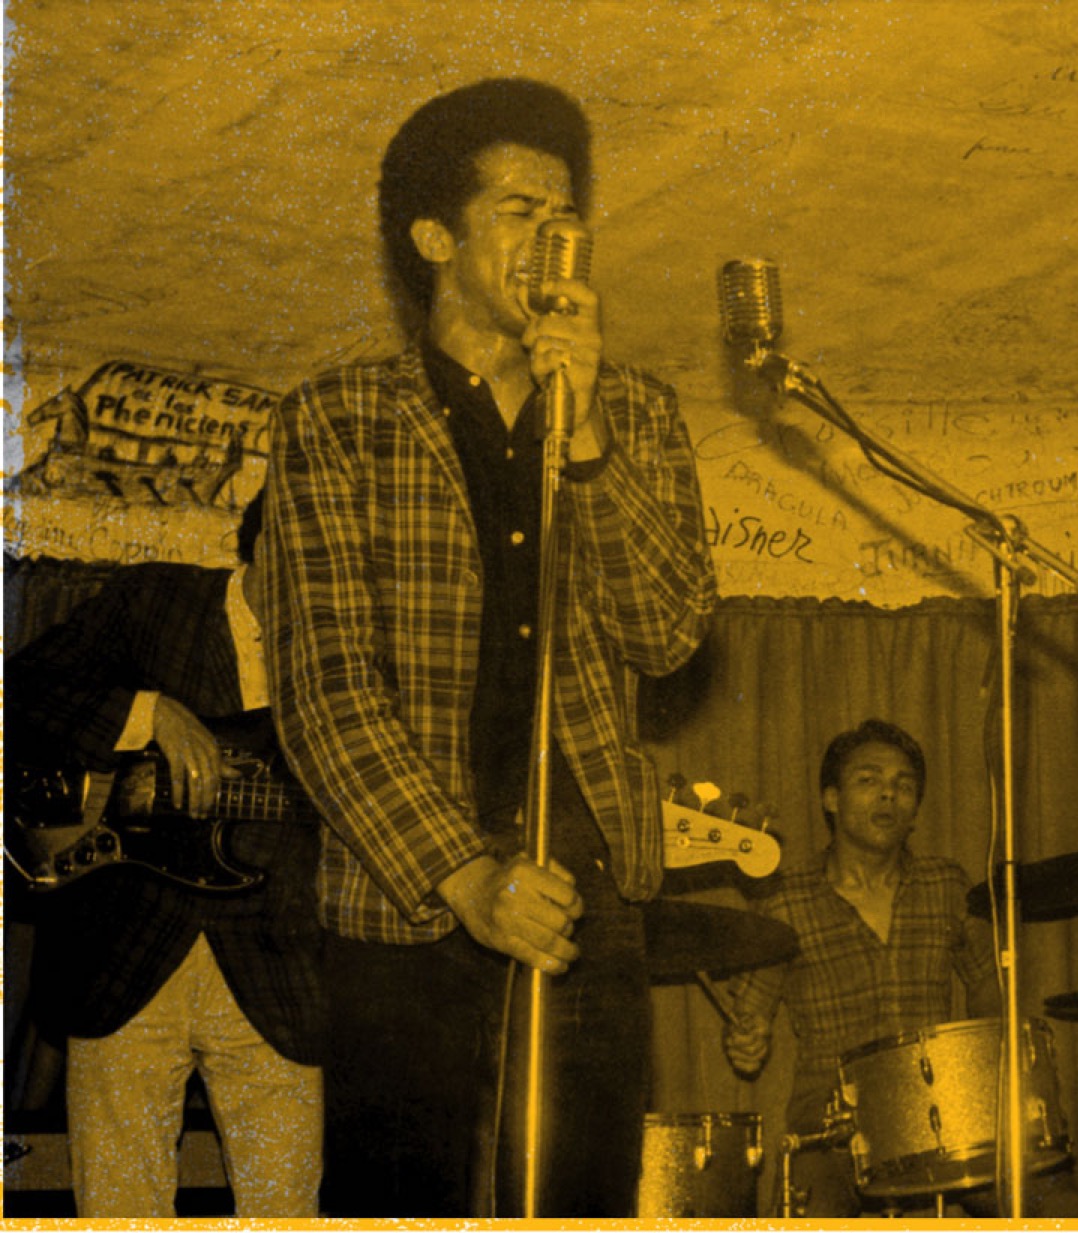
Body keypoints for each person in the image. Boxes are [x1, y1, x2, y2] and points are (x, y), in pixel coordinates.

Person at [264, 77, 717, 1216]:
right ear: (434, 238)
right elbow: (324, 689)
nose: (556, 240)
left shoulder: (641, 414)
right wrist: (467, 877)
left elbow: (668, 636)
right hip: (408, 900)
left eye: (567, 216)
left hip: (587, 901)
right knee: (400, 1197)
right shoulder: (335, 419)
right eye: (520, 208)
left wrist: (594, 439)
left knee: (579, 1200)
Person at [7, 492, 324, 1217]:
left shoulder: (344, 653)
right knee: (120, 1203)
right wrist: (147, 711)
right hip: (124, 954)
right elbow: (23, 689)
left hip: (277, 972)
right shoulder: (154, 597)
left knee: (288, 1209)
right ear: (262, 540)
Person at [724, 719, 1078, 1217]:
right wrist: (748, 1037)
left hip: (947, 1118)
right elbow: (750, 1022)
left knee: (1055, 1206)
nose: (888, 797)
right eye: (868, 781)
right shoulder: (785, 900)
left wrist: (996, 1063)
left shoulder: (946, 885)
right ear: (830, 799)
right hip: (831, 1132)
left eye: (903, 786)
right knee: (809, 1214)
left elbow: (988, 987)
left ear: (915, 809)